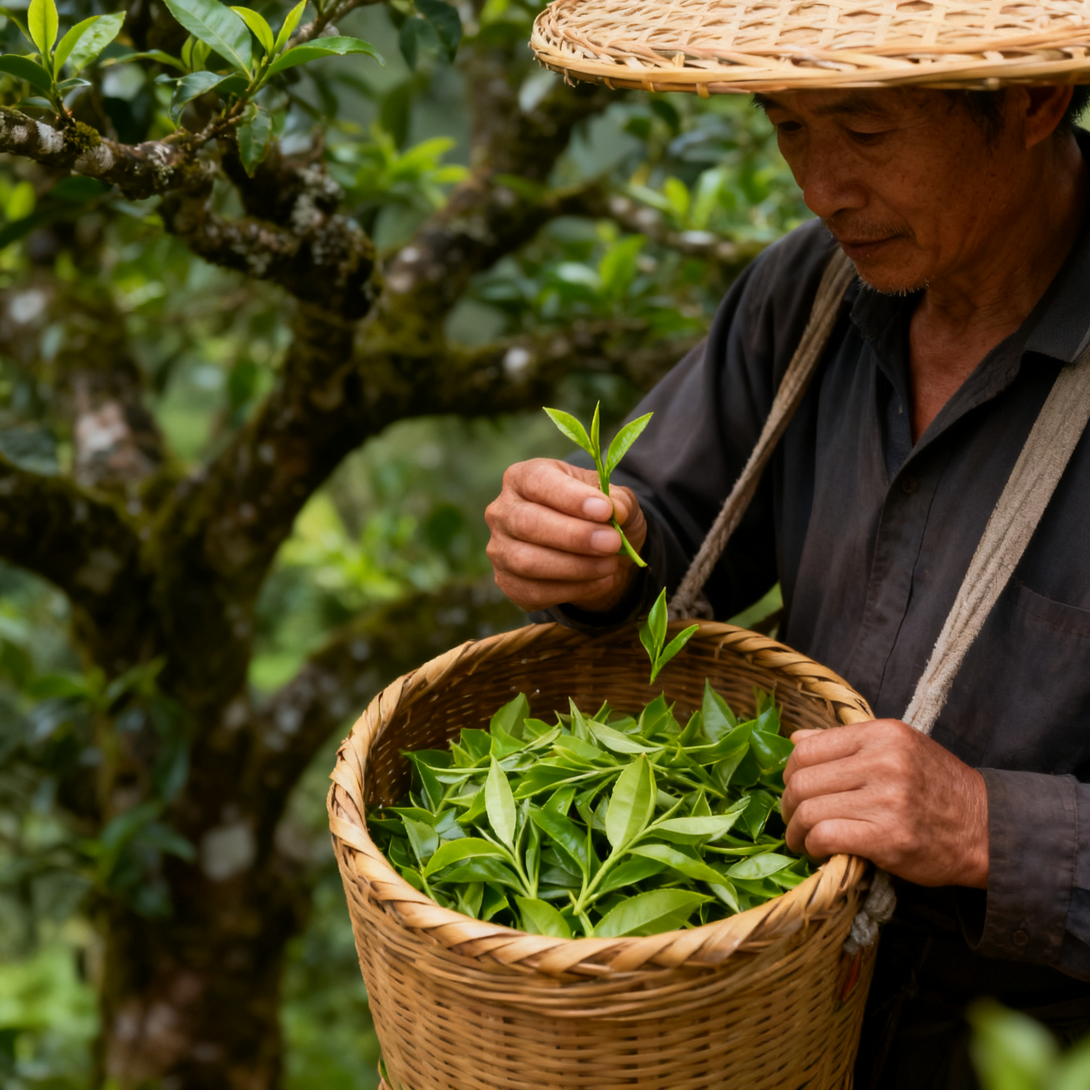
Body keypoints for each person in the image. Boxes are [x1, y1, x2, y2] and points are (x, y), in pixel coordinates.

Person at [486, 5, 1090, 1087]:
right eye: (786, 126)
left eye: (863, 133)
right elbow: (663, 530)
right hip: (771, 1030)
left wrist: (988, 826)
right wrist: (592, 554)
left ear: (1034, 102)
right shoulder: (806, 295)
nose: (820, 188)